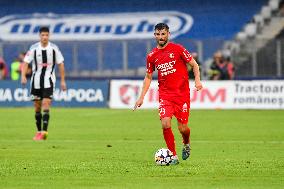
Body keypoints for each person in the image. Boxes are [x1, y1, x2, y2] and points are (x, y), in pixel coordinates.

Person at [133, 23, 203, 165]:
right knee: (165, 123)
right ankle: (173, 156)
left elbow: (194, 65)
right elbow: (148, 77)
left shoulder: (178, 49)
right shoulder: (151, 56)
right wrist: (141, 97)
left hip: (182, 95)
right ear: (155, 35)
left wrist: (197, 81)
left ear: (168, 34)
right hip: (165, 95)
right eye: (158, 34)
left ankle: (186, 142)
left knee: (183, 128)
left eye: (163, 34)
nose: (161, 37)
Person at [21, 26, 67, 140]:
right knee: (37, 107)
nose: (45, 37)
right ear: (39, 36)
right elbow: (25, 62)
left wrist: (62, 80)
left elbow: (61, 64)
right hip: (35, 81)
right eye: (43, 35)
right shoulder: (34, 48)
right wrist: (23, 76)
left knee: (46, 104)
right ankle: (38, 131)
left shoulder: (54, 48)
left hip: (49, 81)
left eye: (47, 35)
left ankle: (44, 132)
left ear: (49, 36)